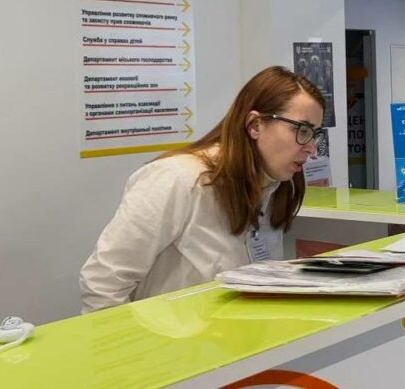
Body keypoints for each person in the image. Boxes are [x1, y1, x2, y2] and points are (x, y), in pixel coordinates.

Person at [80, 66, 326, 312]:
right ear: (255, 125)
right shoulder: (177, 179)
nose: (311, 148)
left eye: (314, 134)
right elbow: (103, 283)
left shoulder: (274, 186)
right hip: (167, 337)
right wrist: (130, 339)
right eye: (302, 130)